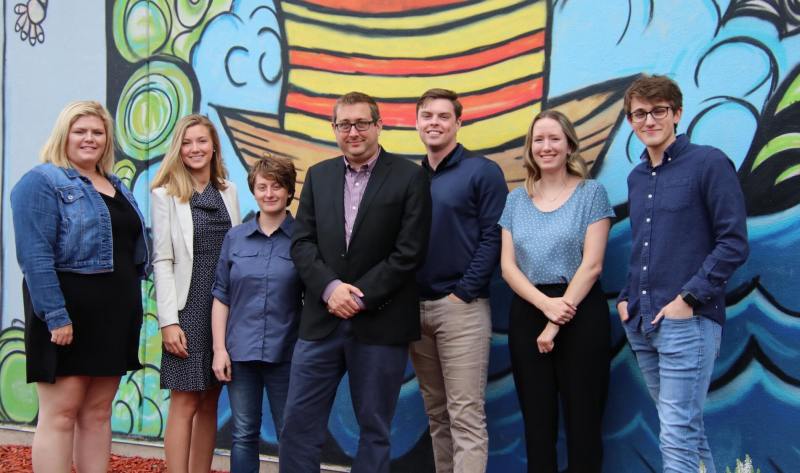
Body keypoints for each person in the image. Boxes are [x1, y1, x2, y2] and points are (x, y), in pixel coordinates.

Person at [278, 91, 432, 473]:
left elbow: (409, 252)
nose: (353, 132)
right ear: (334, 128)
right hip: (322, 320)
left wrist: (359, 296)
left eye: (362, 123)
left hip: (380, 322)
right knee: (298, 425)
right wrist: (331, 289)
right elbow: (302, 244)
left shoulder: (410, 177)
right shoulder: (318, 176)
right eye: (344, 124)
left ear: (378, 125)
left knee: (375, 430)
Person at [617, 75, 749, 473]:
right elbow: (643, 247)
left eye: (658, 111)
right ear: (630, 121)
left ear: (677, 113)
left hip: (687, 321)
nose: (649, 120)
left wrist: (687, 299)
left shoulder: (709, 163)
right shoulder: (637, 179)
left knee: (676, 433)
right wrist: (626, 299)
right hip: (642, 321)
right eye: (639, 113)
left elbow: (733, 242)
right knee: (685, 429)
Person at [11, 100, 149, 473]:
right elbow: (35, 257)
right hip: (67, 315)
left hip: (114, 316)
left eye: (98, 132)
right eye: (80, 131)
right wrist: (56, 316)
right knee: (60, 414)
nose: (90, 138)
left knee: (98, 412)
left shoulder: (117, 185)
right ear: (64, 135)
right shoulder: (41, 182)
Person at [499, 110, 614, 472]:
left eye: (554, 139)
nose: (546, 146)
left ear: (569, 146)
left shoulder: (591, 194)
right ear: (530, 148)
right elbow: (508, 267)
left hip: (580, 311)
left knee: (584, 420)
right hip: (528, 311)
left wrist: (555, 318)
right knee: (537, 422)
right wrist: (544, 305)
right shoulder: (516, 200)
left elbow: (592, 265)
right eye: (539, 140)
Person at [410, 88, 507, 473]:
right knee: (437, 415)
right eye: (427, 116)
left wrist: (463, 293)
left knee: (465, 415)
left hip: (461, 310)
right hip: (416, 312)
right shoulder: (412, 178)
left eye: (443, 116)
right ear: (417, 122)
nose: (434, 123)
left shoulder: (482, 172)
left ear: (458, 123)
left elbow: (493, 236)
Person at [150, 114, 241, 473]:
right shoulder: (165, 194)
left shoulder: (229, 191)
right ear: (178, 149)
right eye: (186, 143)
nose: (194, 149)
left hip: (223, 308)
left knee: (210, 400)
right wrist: (168, 322)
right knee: (185, 401)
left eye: (202, 141)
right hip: (187, 309)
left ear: (214, 146)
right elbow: (162, 259)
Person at [210, 156, 302, 473]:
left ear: (289, 191)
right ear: (253, 191)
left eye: (277, 186)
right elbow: (221, 296)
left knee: (291, 434)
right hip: (240, 353)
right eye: (262, 187)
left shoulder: (303, 240)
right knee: (243, 434)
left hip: (286, 354)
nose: (269, 193)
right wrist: (219, 350)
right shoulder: (235, 238)